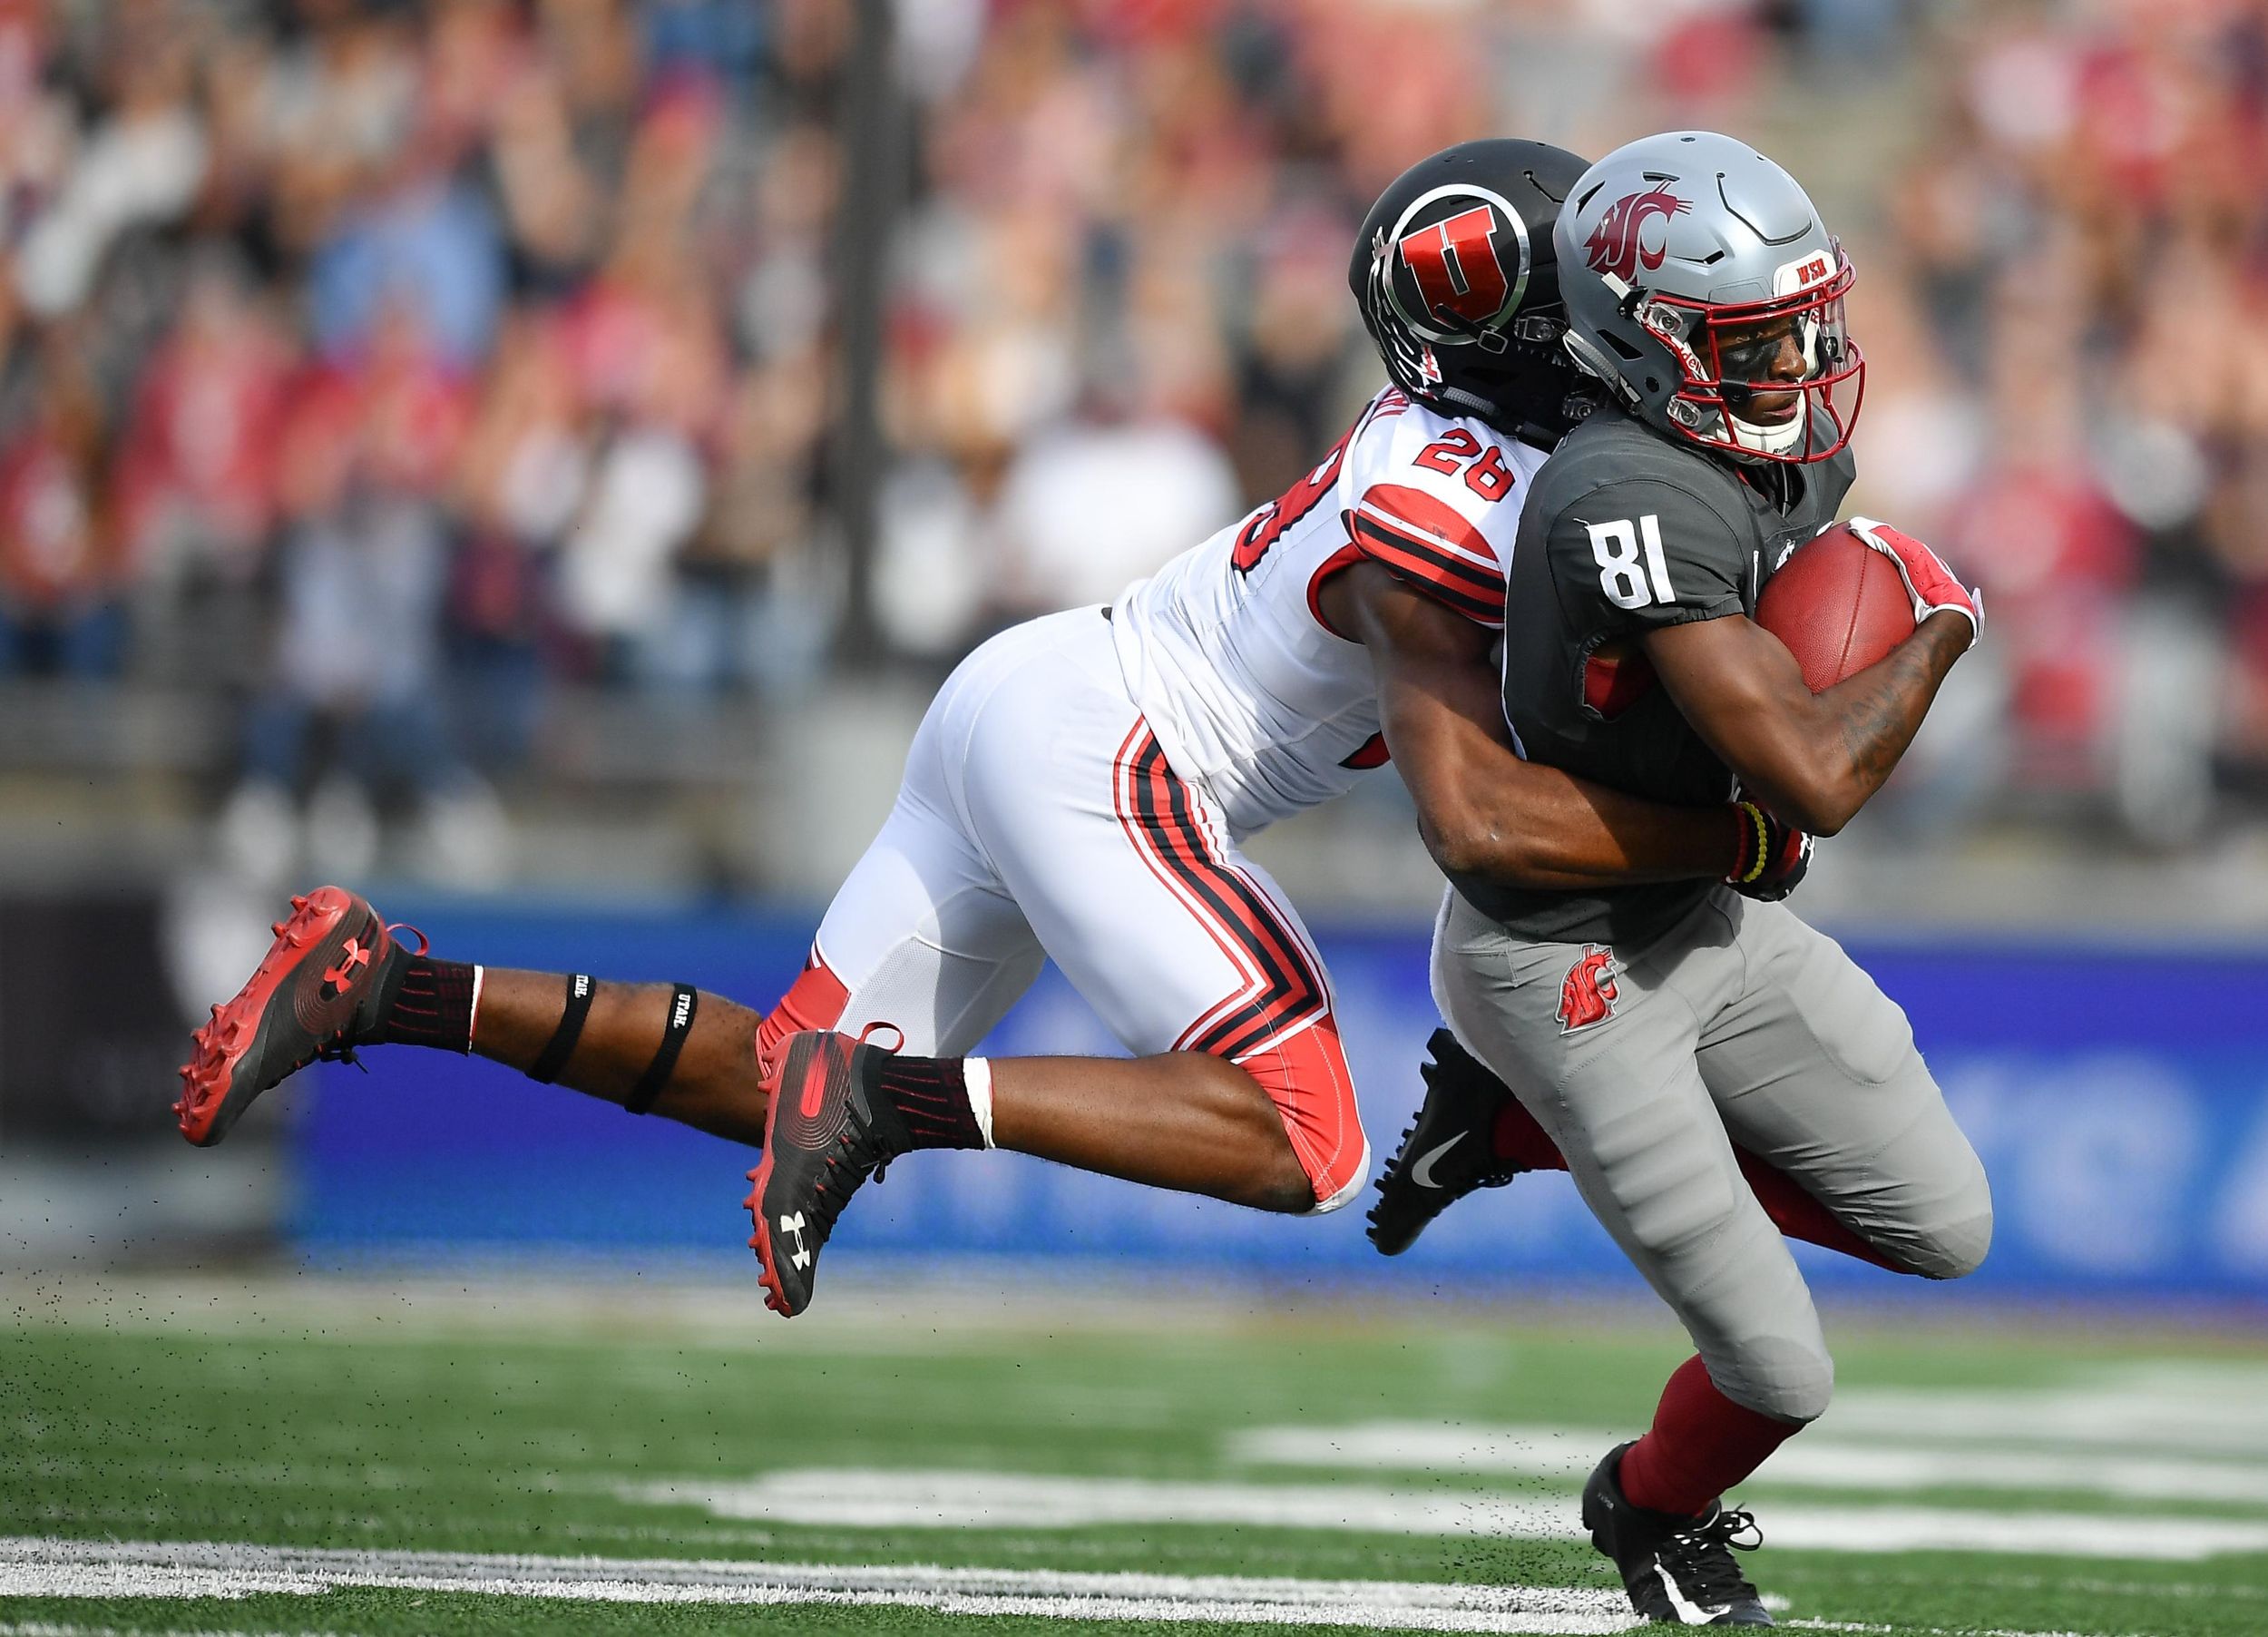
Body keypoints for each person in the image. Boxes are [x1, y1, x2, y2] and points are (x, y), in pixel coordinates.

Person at [176, 141, 1815, 1316]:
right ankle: (889, 1110)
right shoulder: (1475, 502)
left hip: (1036, 695)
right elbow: (1481, 814)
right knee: (1306, 1132)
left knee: (777, 1079)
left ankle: (383, 985)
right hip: (1114, 750)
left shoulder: (1443, 432)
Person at [1374, 132, 1991, 1628]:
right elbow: (1816, 781)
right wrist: (1941, 621)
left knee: (1946, 1226)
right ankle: (1649, 1513)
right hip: (1563, 958)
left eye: (1803, 324)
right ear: (1645, 344)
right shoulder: (1620, 490)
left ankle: (1504, 1124)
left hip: (1701, 915)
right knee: (1777, 1369)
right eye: (1752, 337)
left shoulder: (1756, 445)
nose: (1796, 362)